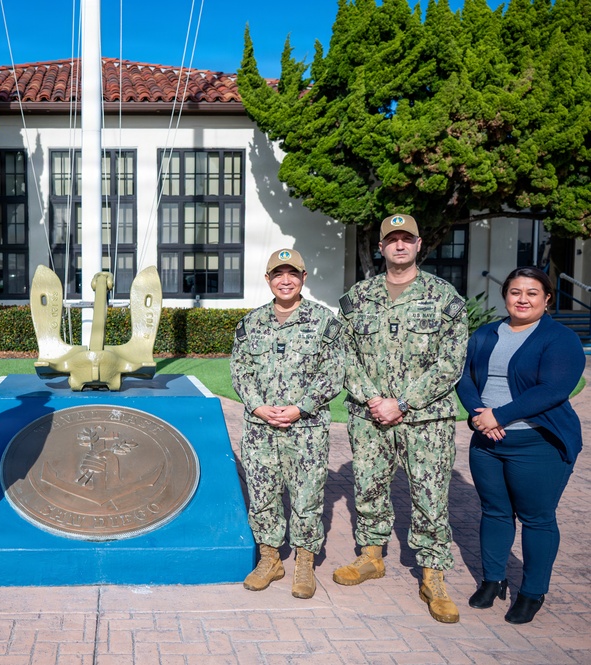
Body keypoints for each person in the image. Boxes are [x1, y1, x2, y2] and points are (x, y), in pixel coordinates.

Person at [334, 213, 467, 624]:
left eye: (406, 239)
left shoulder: (445, 298)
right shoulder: (358, 298)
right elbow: (344, 355)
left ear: (419, 244)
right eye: (392, 240)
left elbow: (450, 363)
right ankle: (371, 555)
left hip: (425, 419)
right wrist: (374, 398)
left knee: (429, 497)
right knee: (369, 486)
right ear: (381, 247)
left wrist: (402, 402)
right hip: (370, 416)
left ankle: (433, 573)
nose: (399, 245)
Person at [456, 267, 583, 624]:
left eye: (531, 293)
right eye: (515, 292)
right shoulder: (484, 334)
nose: (522, 299)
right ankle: (493, 580)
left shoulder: (560, 339)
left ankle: (532, 591)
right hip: (487, 441)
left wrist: (501, 415)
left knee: (537, 518)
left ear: (547, 299)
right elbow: (464, 377)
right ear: (506, 296)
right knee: (494, 512)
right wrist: (479, 414)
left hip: (537, 442)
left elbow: (553, 389)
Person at [230, 249, 344, 599]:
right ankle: (270, 559)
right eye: (277, 274)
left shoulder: (325, 322)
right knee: (263, 496)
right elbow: (240, 370)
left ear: (303, 277)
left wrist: (300, 407)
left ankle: (304, 564)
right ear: (268, 280)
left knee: (307, 497)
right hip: (260, 428)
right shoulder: (251, 323)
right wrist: (258, 406)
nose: (285, 280)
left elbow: (335, 372)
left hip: (305, 429)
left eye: (292, 274)